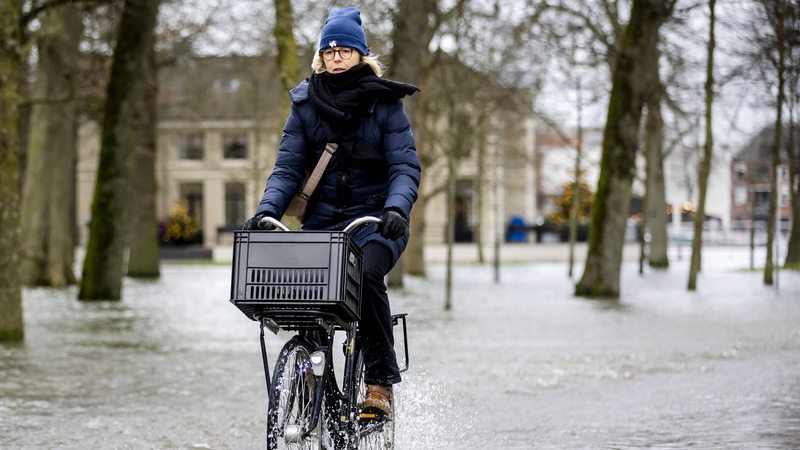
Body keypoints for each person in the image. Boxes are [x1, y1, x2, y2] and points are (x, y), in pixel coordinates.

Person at [243, 7, 420, 416]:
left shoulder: (385, 104)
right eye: (329, 51)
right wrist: (266, 212)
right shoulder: (305, 104)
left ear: (361, 56)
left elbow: (404, 166)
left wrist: (396, 208)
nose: (336, 57)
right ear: (320, 57)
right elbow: (287, 167)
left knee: (368, 275)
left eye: (345, 50)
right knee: (304, 291)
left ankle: (378, 382)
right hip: (322, 223)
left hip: (375, 221)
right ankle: (310, 372)